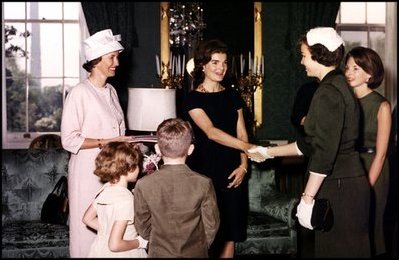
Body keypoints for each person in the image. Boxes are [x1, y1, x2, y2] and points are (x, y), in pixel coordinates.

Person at [250, 27, 371, 257]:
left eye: (305, 55)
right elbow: (309, 144)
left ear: (318, 55)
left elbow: (324, 153)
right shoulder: (335, 86)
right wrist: (266, 152)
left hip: (340, 186)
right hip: (342, 182)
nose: (303, 61)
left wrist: (307, 199)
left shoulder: (328, 92)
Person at [183, 39, 261, 258]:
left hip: (233, 172)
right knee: (206, 233)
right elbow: (211, 132)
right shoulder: (192, 98)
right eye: (215, 62)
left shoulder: (233, 94)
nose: (221, 68)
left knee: (230, 232)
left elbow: (242, 132)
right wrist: (249, 148)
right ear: (202, 66)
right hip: (204, 174)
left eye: (225, 63)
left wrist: (244, 165)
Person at [60, 28, 134, 257]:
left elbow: (119, 133)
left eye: (117, 56)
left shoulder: (111, 91)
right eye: (112, 57)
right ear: (95, 61)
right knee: (88, 235)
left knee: (111, 232)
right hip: (87, 173)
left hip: (113, 172)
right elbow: (69, 139)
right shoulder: (79, 93)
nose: (117, 63)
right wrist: (109, 141)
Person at [134, 118, 220, 257]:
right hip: (195, 253)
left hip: (160, 252)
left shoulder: (144, 184)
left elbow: (142, 225)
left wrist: (156, 242)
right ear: (191, 149)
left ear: (157, 149)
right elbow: (212, 224)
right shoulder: (203, 183)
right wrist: (201, 246)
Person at [344, 46, 391, 257]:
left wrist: (366, 185)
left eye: (355, 68)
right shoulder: (344, 102)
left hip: (373, 168)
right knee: (348, 231)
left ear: (369, 74)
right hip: (348, 168)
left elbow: (381, 154)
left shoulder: (381, 106)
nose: (349, 73)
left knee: (369, 228)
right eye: (347, 68)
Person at [82, 141, 148, 257]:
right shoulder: (127, 200)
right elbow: (115, 245)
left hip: (101, 251)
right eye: (137, 164)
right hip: (124, 252)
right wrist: (140, 242)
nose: (139, 168)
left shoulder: (105, 189)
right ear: (129, 169)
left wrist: (107, 231)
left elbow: (87, 219)